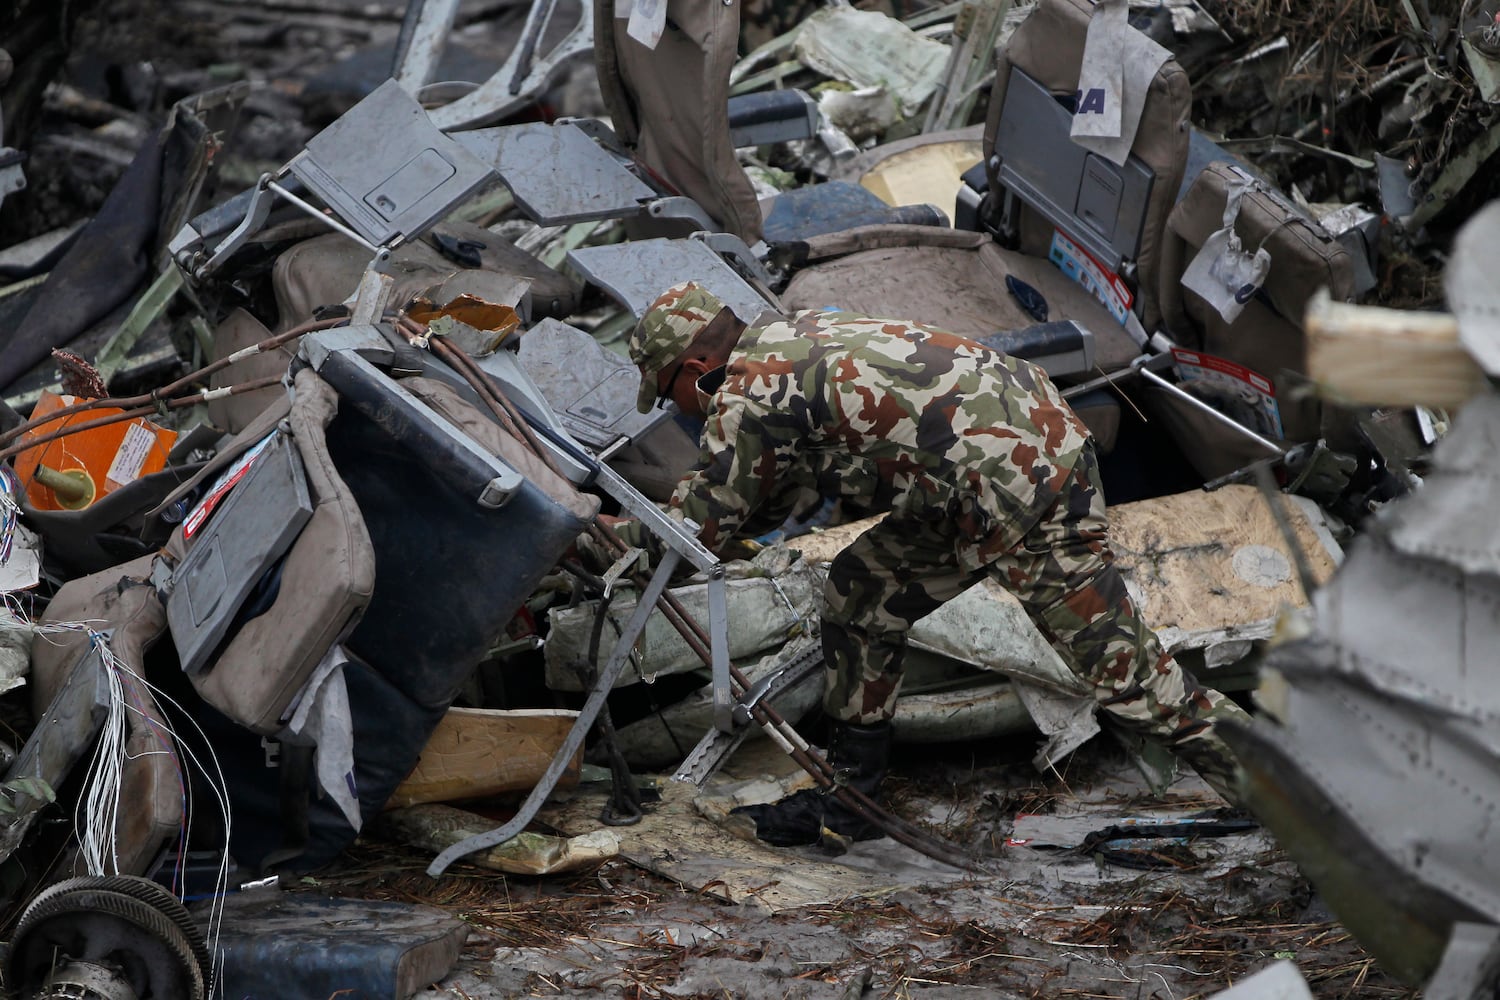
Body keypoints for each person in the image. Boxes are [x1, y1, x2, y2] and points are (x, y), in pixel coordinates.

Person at [620, 280, 1249, 847]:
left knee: (1132, 681)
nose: (674, 407)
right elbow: (767, 495)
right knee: (861, 595)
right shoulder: (791, 335)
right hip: (988, 475)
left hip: (1023, 490)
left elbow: (700, 526)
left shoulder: (747, 392)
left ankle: (1297, 799)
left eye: (667, 391)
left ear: (696, 367)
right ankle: (853, 803)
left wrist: (617, 540)